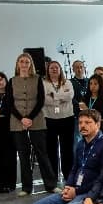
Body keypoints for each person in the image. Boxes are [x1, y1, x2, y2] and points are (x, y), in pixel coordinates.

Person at [9, 53, 54, 196]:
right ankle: (26, 187)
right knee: (23, 155)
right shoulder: (12, 81)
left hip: (36, 119)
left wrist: (29, 117)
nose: (24, 64)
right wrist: (22, 118)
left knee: (42, 153)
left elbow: (41, 100)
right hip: (17, 121)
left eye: (27, 62)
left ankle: (50, 185)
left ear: (31, 64)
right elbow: (10, 103)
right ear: (17, 64)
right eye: (21, 61)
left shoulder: (37, 79)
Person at [43, 60, 76, 188]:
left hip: (67, 118)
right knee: (51, 149)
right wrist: (61, 96)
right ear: (48, 70)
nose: (54, 70)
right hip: (49, 119)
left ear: (60, 69)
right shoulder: (44, 83)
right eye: (51, 68)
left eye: (56, 67)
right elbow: (45, 99)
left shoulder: (67, 82)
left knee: (67, 149)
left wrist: (54, 96)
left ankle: (68, 176)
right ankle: (53, 178)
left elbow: (70, 96)